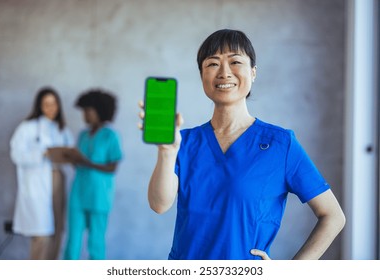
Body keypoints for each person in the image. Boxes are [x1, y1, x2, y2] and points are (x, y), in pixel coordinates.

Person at [141, 29, 345, 260]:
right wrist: (167, 151)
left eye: (235, 62)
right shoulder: (184, 142)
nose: (224, 72)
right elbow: (159, 204)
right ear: (202, 76)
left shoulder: (281, 144)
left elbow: (333, 216)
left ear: (253, 72)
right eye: (212, 64)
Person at [10, 86, 74, 259]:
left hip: (57, 179)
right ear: (39, 106)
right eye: (46, 104)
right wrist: (43, 153)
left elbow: (71, 152)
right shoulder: (27, 127)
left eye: (54, 104)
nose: (51, 108)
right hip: (37, 184)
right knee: (42, 234)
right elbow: (16, 154)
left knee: (57, 229)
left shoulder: (62, 129)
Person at [63, 89, 123, 260]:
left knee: (96, 243)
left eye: (88, 112)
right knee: (72, 242)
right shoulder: (82, 135)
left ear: (100, 112)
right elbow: (80, 164)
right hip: (78, 193)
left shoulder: (110, 136)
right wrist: (71, 158)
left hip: (99, 196)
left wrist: (87, 162)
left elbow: (112, 167)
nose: (85, 116)